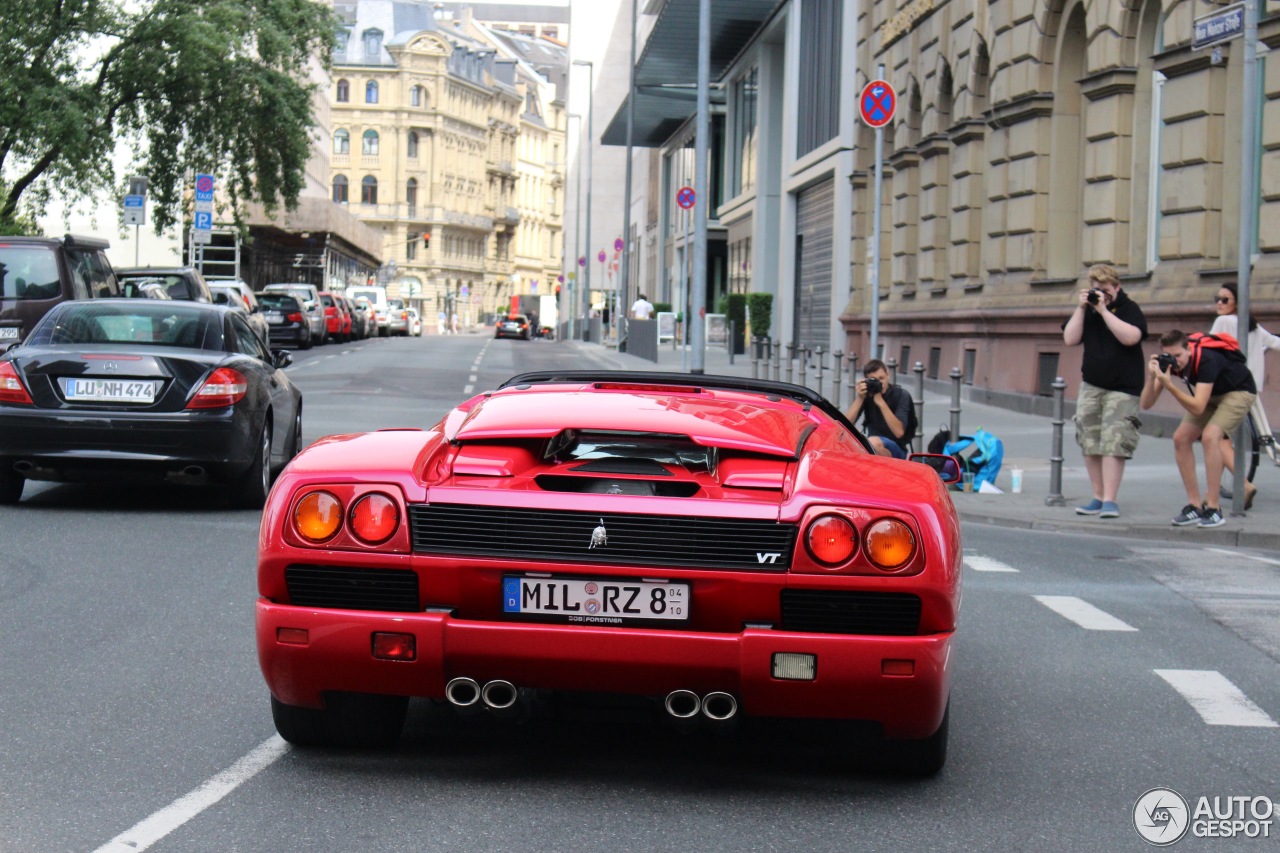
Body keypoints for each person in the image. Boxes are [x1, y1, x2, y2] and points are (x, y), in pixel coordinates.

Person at [1140, 329, 1257, 528]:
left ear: (1188, 349)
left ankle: (1214, 508)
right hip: (1210, 396)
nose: (1176, 361)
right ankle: (1194, 505)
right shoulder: (1169, 364)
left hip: (1237, 392)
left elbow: (1198, 406)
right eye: (1171, 356)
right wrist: (1153, 377)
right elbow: (1146, 404)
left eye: (1179, 355)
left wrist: (1169, 386)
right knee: (1180, 438)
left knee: (1211, 437)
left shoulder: (1205, 360)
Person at [1061, 264, 1148, 519]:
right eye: (1097, 290)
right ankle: (1097, 496)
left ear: (1117, 288)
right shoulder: (1087, 309)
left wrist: (1104, 310)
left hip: (1123, 387)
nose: (1101, 295)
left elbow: (1131, 337)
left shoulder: (1129, 309)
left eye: (1106, 291)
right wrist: (1081, 307)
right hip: (1092, 385)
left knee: (1114, 442)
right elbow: (1070, 338)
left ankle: (1110, 499)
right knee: (1090, 440)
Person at [1209, 281, 1280, 489]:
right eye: (1217, 299)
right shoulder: (1251, 323)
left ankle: (1239, 485)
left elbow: (1209, 348)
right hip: (1252, 384)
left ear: (1237, 303)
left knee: (1217, 435)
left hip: (1232, 385)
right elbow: (1274, 342)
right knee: (1239, 433)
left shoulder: (1223, 321)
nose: (1219, 303)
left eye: (1225, 299)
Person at [845, 359, 914, 459]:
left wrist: (881, 402)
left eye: (881, 378)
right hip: (872, 445)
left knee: (872, 443)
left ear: (888, 375)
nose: (880, 383)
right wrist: (860, 398)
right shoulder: (867, 394)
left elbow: (899, 432)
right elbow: (845, 425)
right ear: (866, 380)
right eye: (874, 380)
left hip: (897, 448)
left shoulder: (901, 395)